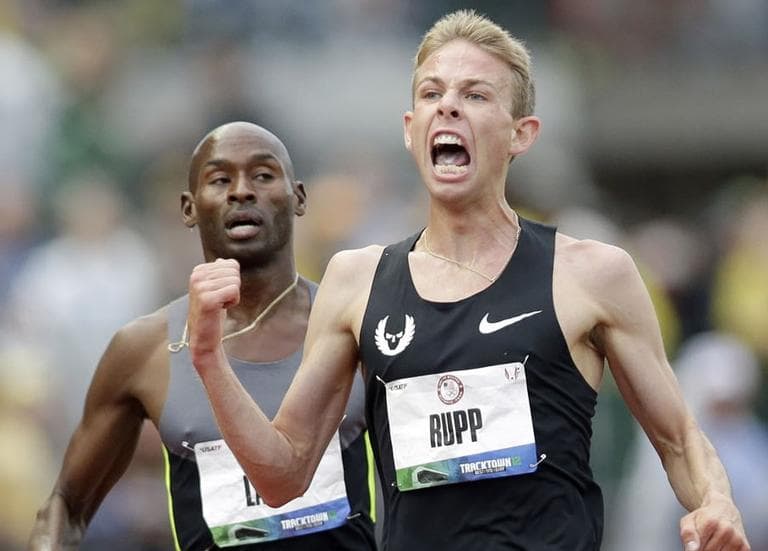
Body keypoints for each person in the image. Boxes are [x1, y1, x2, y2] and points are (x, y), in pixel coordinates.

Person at [186, 11, 750, 551]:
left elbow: (679, 438)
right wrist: (211, 360)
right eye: (432, 94)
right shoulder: (356, 281)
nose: (447, 108)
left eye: (474, 96)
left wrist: (716, 501)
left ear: (520, 134)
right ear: (411, 130)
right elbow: (283, 475)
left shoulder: (591, 274)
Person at [28, 122, 377, 550]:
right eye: (220, 180)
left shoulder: (359, 327)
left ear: (298, 197)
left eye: (263, 175)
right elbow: (66, 505)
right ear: (189, 208)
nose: (241, 192)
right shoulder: (144, 350)